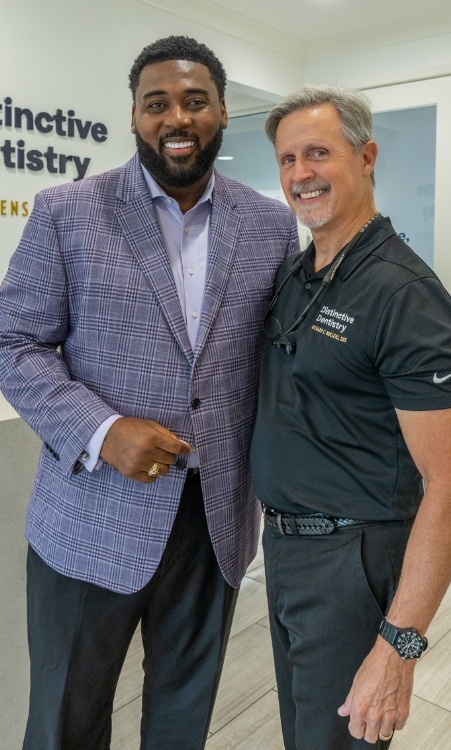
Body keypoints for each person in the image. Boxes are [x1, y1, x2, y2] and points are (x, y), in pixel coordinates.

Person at [0, 36, 299, 750]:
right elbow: (14, 345)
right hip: (90, 522)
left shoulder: (268, 224)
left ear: (221, 111)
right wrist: (103, 431)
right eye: (156, 103)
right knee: (66, 724)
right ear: (133, 117)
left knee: (180, 722)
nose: (177, 118)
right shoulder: (67, 211)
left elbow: (276, 359)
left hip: (216, 523)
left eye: (194, 101)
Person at [250, 84, 451, 750]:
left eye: (317, 153)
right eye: (286, 159)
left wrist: (398, 644)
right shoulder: (295, 273)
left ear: (364, 157)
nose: (299, 174)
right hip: (284, 550)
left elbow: (446, 482)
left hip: (351, 564)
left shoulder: (404, 294)